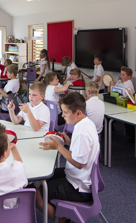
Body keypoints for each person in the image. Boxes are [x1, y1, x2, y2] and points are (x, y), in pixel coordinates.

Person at [35, 93, 99, 223]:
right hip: (78, 177)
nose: (62, 115)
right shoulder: (86, 123)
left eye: (65, 112)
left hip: (79, 187)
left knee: (37, 196)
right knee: (45, 177)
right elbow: (82, 151)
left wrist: (59, 147)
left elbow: (79, 163)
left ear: (78, 112)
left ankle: (62, 220)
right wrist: (69, 143)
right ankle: (62, 213)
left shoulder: (82, 131)